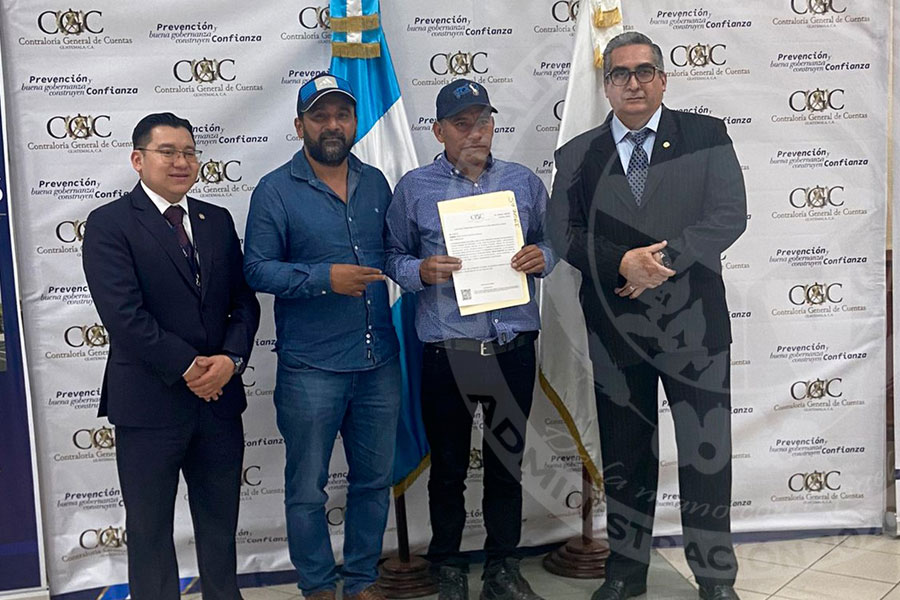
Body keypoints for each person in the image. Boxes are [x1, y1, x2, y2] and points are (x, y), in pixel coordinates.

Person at [549, 31, 747, 600]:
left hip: (695, 327)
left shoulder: (706, 135)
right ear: (606, 85)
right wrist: (621, 262)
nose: (632, 83)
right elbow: (562, 232)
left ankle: (715, 578)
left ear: (662, 79)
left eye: (643, 71)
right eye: (619, 74)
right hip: (616, 330)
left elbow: (729, 214)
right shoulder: (577, 154)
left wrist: (659, 263)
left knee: (707, 456)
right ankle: (625, 573)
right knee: (625, 456)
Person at [385, 79, 556, 600]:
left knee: (507, 467)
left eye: (484, 121)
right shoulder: (414, 188)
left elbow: (551, 240)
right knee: (448, 471)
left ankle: (503, 567)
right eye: (462, 124)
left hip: (512, 350)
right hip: (449, 354)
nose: (476, 132)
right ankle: (449, 567)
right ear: (439, 131)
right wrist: (419, 270)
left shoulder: (522, 182)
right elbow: (391, 255)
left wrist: (543, 257)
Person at [82, 112, 261, 600]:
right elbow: (124, 316)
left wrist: (230, 359)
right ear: (138, 160)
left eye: (189, 152)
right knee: (149, 531)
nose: (181, 162)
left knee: (220, 527)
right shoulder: (109, 224)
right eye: (168, 152)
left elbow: (243, 302)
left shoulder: (216, 220)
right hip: (149, 405)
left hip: (219, 403)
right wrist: (189, 366)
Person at [243, 74, 400, 600]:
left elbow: (395, 253)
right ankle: (317, 586)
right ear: (300, 125)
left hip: (379, 361)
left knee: (373, 482)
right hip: (312, 367)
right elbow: (257, 268)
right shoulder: (274, 190)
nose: (333, 125)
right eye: (320, 116)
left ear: (354, 122)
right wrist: (323, 278)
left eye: (342, 115)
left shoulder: (376, 182)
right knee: (307, 489)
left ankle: (362, 581)